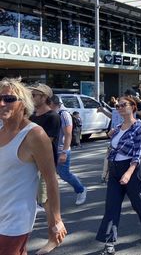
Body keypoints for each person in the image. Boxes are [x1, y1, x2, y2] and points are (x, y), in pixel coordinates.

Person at [0, 78, 67, 255]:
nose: (1, 103)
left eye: (8, 99)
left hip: (15, 220)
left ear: (23, 103)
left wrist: (56, 220)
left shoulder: (34, 135)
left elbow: (51, 179)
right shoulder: (0, 129)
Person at [96, 97, 141, 254]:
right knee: (111, 206)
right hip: (115, 169)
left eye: (123, 105)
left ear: (133, 107)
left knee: (140, 203)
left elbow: (138, 154)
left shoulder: (139, 127)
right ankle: (109, 243)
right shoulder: (117, 127)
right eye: (118, 106)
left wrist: (129, 174)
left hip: (131, 169)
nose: (120, 108)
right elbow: (114, 147)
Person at [29, 83, 63, 255]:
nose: (32, 97)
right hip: (30, 165)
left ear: (44, 97)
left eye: (35, 95)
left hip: (45, 166)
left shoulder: (53, 117)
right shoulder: (32, 115)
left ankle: (53, 239)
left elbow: (45, 143)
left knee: (48, 203)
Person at [50, 95, 87, 206]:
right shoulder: (52, 114)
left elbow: (68, 134)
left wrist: (64, 152)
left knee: (64, 174)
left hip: (61, 150)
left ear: (55, 104)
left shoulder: (64, 114)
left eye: (49, 104)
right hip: (51, 149)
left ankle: (81, 189)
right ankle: (42, 202)